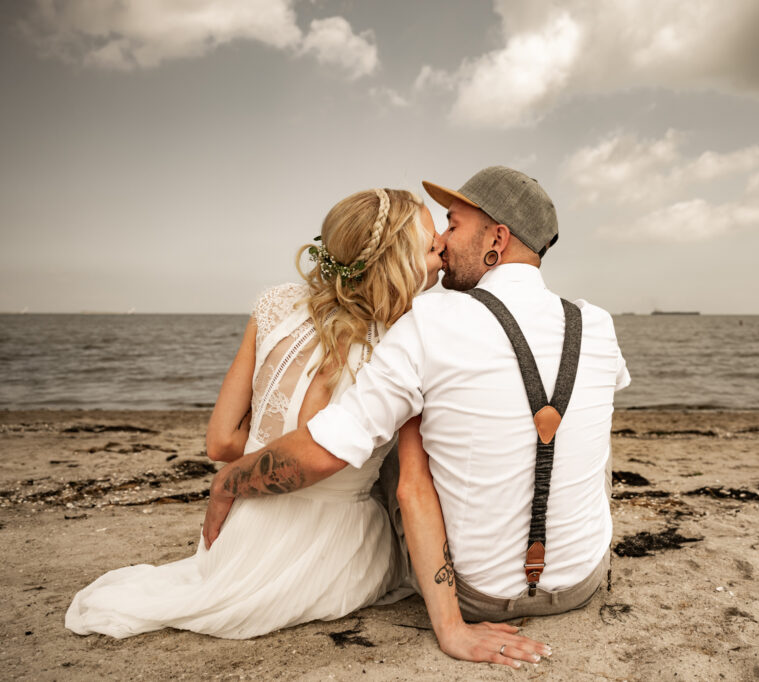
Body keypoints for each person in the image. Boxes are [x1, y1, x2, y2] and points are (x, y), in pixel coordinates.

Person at [201, 166, 630, 667]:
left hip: (478, 596)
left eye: (453, 225)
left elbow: (326, 455)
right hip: (584, 580)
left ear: (498, 237)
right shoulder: (596, 323)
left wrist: (228, 481)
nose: (443, 242)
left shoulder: (429, 320)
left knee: (394, 451)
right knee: (583, 424)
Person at [65, 188, 443, 639]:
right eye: (431, 243)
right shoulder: (407, 339)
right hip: (337, 547)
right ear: (399, 260)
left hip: (240, 535)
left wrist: (249, 464)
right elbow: (323, 456)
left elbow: (221, 442)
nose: (441, 247)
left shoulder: (276, 305)